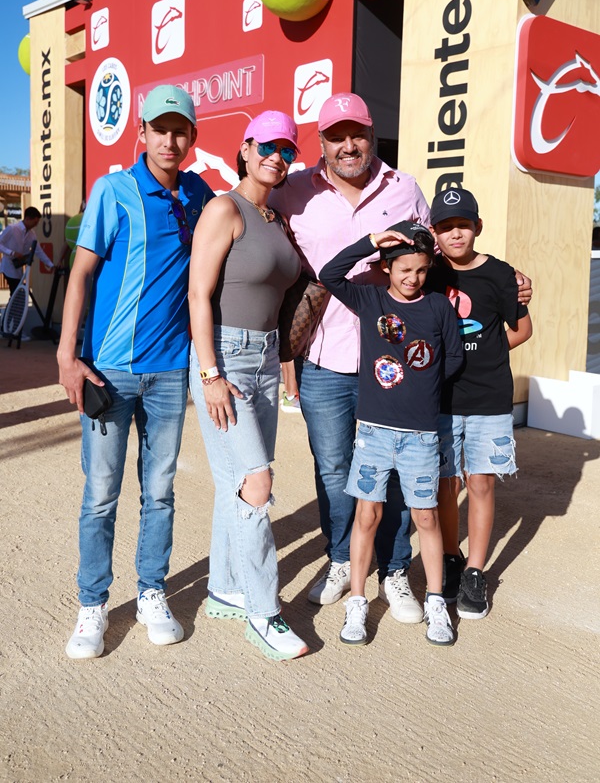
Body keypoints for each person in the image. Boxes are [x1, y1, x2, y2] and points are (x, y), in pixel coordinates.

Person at [57, 84, 214, 660]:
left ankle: (151, 591)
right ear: (141, 132)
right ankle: (93, 603)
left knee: (160, 492)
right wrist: (67, 355)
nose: (170, 140)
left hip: (170, 372)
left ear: (192, 137)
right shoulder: (114, 191)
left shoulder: (199, 194)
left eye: (180, 130)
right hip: (110, 371)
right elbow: (80, 275)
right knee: (101, 494)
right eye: (160, 129)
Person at [269, 94, 432, 624]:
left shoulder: (404, 188)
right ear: (320, 143)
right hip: (322, 358)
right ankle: (341, 558)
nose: (348, 146)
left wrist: (501, 281)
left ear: (372, 133)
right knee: (334, 466)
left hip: (393, 359)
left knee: (394, 467)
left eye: (356, 134)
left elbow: (434, 261)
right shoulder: (293, 190)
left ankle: (395, 567)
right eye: (336, 137)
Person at [188, 110, 309, 662]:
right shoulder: (224, 208)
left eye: (287, 149)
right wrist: (210, 374)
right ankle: (264, 611)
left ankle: (224, 586)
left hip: (264, 359)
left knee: (233, 482)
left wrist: (285, 362)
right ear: (244, 148)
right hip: (226, 360)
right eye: (268, 146)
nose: (277, 157)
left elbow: (286, 299)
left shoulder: (276, 218)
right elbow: (198, 295)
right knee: (256, 482)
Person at [320, 222, 463, 645]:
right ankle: (357, 602)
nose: (412, 278)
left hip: (421, 435)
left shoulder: (439, 307)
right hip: (374, 433)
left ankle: (435, 603)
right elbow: (329, 274)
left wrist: (421, 388)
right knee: (367, 515)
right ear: (386, 267)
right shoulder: (370, 300)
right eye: (404, 270)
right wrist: (370, 242)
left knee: (426, 517)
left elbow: (453, 358)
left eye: (421, 270)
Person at [427, 188, 533, 619]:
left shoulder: (501, 274)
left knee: (481, 483)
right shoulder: (428, 272)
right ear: (434, 233)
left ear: (478, 227)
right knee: (446, 484)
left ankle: (475, 571)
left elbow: (521, 330)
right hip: (441, 399)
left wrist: (485, 352)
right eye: (446, 227)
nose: (456, 234)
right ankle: (451, 557)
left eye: (463, 225)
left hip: (489, 399)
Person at [0, 206, 55, 295]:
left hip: (18, 268)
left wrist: (50, 265)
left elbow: (38, 251)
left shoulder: (32, 234)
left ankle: (13, 304)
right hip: (8, 267)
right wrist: (12, 253)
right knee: (16, 293)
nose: (36, 225)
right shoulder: (12, 229)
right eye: (35, 222)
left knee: (16, 295)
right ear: (27, 219)